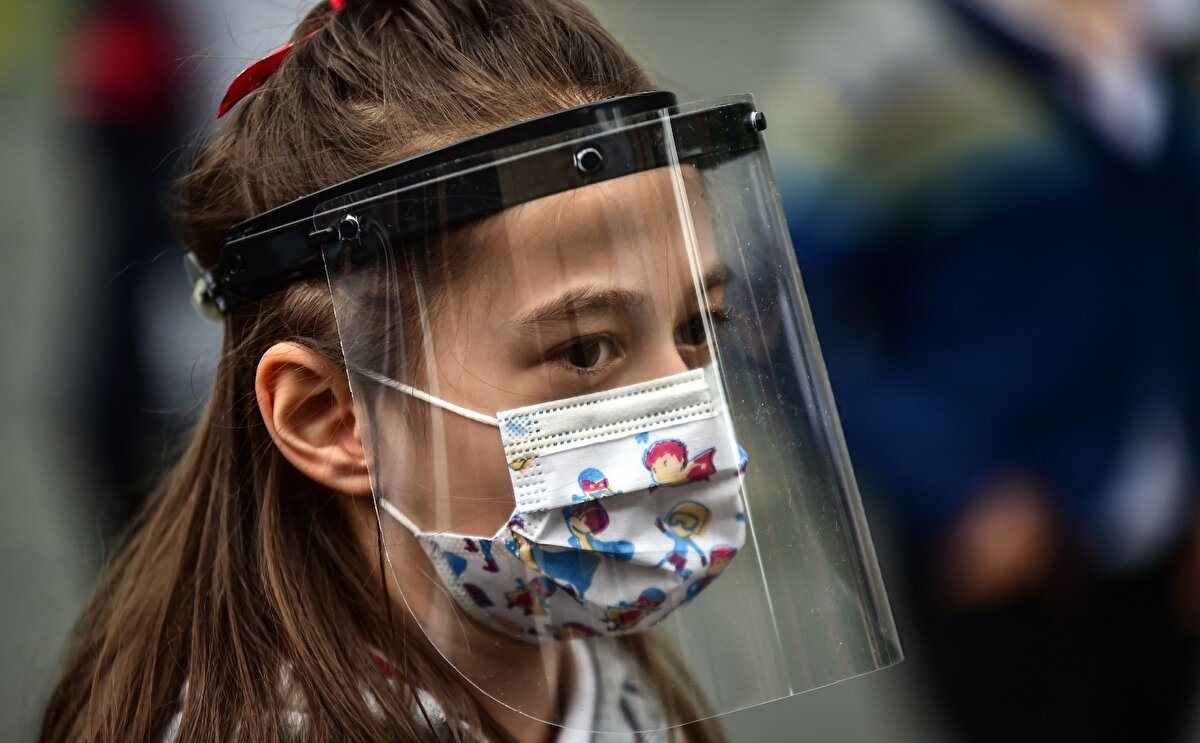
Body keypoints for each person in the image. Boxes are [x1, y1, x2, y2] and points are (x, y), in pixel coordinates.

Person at [39, 1, 901, 741]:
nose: (682, 411)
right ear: (331, 416)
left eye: (697, 325)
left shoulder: (595, 678)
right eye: (585, 349)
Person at [772, 0, 1200, 740]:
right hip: (1006, 552)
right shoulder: (889, 56)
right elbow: (770, 301)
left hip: (1163, 545)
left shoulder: (1166, 40)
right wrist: (955, 486)